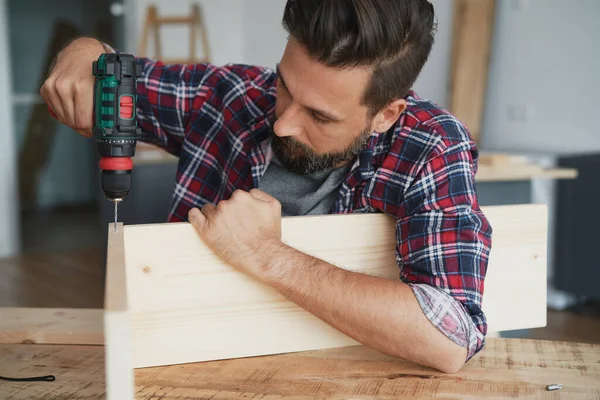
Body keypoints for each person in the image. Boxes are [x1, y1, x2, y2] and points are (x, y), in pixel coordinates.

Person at [41, 0, 492, 373]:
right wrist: (83, 52)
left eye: (319, 115)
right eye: (285, 87)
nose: (282, 124)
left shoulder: (430, 145)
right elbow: (111, 73)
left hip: (347, 376)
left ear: (386, 114)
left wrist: (265, 255)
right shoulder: (231, 97)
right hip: (188, 365)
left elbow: (449, 337)